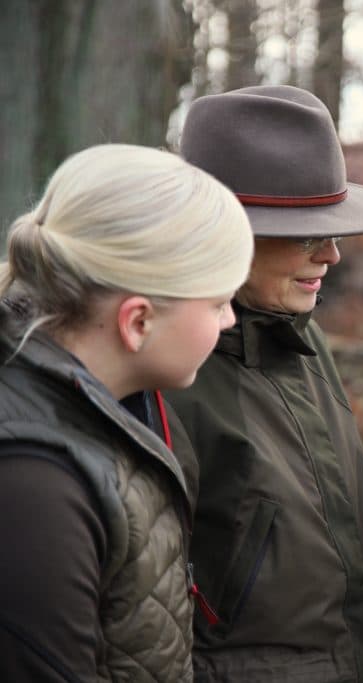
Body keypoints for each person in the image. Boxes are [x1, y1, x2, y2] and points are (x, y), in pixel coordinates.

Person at [163, 85, 363, 682]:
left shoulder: (301, 337)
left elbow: (324, 507)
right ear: (225, 234)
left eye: (332, 231)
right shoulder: (162, 373)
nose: (333, 256)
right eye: (308, 236)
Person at [0, 144, 253, 682]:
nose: (230, 320)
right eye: (217, 302)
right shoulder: (35, 479)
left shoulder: (118, 410)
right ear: (137, 321)